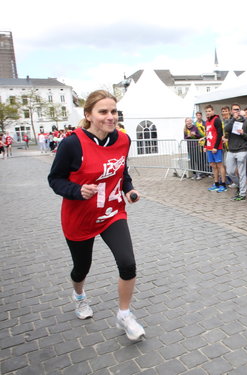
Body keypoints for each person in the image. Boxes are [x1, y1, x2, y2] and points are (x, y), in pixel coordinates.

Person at [48, 90, 145, 341]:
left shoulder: (123, 140)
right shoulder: (72, 143)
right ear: (89, 114)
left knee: (128, 263)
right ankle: (79, 296)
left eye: (114, 111)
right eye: (103, 112)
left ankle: (124, 314)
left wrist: (128, 189)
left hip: (112, 213)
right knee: (82, 268)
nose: (110, 117)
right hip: (79, 218)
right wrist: (77, 190)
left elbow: (122, 171)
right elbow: (55, 179)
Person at [224, 104, 247, 201]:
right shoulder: (229, 121)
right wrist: (233, 119)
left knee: (242, 172)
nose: (236, 111)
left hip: (242, 149)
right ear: (231, 111)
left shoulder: (246, 122)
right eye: (234, 110)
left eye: (237, 109)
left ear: (240, 110)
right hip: (231, 150)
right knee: (230, 171)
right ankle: (240, 186)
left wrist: (243, 133)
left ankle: (243, 193)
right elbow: (226, 129)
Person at [204, 105, 227, 192]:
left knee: (219, 165)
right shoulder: (207, 122)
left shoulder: (216, 120)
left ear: (213, 111)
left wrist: (216, 147)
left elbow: (219, 134)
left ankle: (223, 184)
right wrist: (205, 146)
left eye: (209, 111)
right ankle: (216, 183)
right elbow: (207, 135)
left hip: (216, 147)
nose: (208, 113)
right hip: (209, 147)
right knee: (213, 165)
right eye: (206, 111)